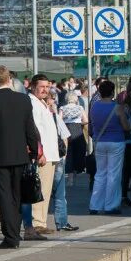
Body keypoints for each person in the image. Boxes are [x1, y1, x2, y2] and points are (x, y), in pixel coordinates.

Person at [0, 65, 41, 249]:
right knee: (18, 196)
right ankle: (15, 233)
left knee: (4, 196)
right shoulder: (23, 100)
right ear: (9, 80)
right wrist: (34, 150)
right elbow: (30, 128)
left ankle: (11, 236)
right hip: (20, 155)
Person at [20, 75, 60, 239]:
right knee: (39, 188)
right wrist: (39, 152)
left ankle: (41, 222)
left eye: (47, 87)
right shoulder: (32, 103)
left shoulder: (43, 103)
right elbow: (33, 130)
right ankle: (37, 222)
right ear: (32, 87)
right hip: (43, 154)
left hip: (51, 153)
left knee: (46, 189)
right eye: (41, 87)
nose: (45, 90)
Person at [88, 80, 129, 215]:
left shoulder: (94, 107)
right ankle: (110, 205)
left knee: (100, 174)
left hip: (99, 142)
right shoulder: (117, 107)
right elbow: (125, 126)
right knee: (114, 174)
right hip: (116, 142)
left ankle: (95, 204)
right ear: (112, 92)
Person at [47, 94, 78, 231]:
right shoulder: (54, 117)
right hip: (56, 157)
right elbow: (65, 136)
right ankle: (61, 222)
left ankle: (38, 223)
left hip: (44, 157)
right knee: (59, 192)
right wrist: (64, 156)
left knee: (42, 192)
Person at [59, 92, 87, 185]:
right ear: (75, 99)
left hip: (66, 131)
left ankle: (70, 178)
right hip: (77, 130)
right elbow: (86, 120)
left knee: (68, 154)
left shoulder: (62, 108)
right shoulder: (80, 108)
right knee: (79, 152)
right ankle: (76, 171)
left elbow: (59, 121)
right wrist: (79, 123)